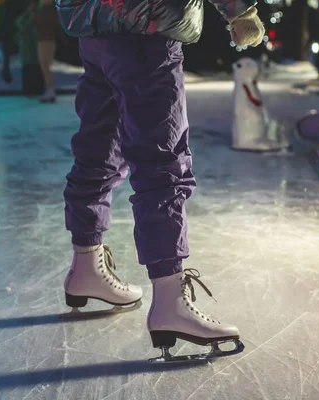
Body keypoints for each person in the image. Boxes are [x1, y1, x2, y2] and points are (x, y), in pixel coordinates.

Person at [59, 0, 264, 361]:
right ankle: (170, 301)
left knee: (99, 146)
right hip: (147, 24)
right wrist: (240, 12)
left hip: (92, 25)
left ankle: (86, 264)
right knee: (162, 161)